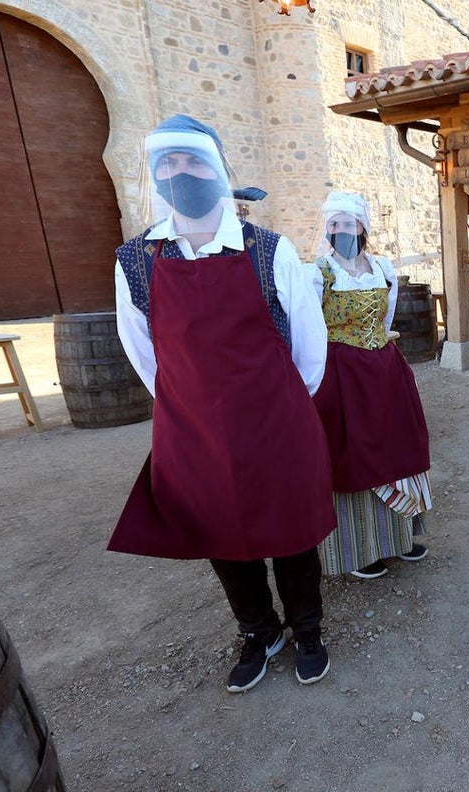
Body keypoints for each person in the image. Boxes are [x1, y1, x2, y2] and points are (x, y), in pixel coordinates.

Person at [111, 115, 335, 693]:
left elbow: (310, 349)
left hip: (275, 422)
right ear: (155, 176)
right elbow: (142, 350)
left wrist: (279, 408)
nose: (180, 173)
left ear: (217, 170)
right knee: (220, 533)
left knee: (291, 531)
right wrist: (191, 407)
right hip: (194, 431)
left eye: (193, 162)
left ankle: (307, 627)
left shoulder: (270, 251)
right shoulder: (135, 259)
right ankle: (259, 631)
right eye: (168, 163)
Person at [310, 191, 433, 581]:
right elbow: (311, 329)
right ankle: (360, 547)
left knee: (398, 447)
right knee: (353, 453)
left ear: (362, 227)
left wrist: (376, 349)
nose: (340, 230)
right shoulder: (318, 272)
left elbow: (386, 317)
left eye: (347, 223)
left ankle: (400, 537)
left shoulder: (382, 267)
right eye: (333, 224)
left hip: (384, 370)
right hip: (341, 375)